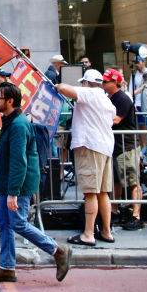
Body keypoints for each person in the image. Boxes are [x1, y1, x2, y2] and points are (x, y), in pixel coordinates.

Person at [0, 82, 71, 284]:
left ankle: (57, 250)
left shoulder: (18, 125)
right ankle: (6, 268)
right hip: (10, 183)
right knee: (4, 223)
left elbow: (19, 161)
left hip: (18, 185)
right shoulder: (11, 121)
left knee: (18, 223)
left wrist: (13, 192)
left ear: (10, 101)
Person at [56, 68, 116, 247]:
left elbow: (64, 89)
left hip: (89, 145)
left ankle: (88, 233)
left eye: (83, 82)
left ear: (87, 83)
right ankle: (106, 231)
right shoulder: (106, 100)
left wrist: (57, 84)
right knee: (103, 192)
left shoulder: (90, 93)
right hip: (105, 147)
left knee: (90, 192)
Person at [101, 68, 142, 231]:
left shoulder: (123, 99)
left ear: (114, 82)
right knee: (116, 181)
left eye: (105, 81)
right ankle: (114, 210)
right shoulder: (110, 98)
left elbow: (116, 120)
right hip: (116, 145)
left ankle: (136, 215)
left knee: (132, 181)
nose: (103, 84)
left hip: (127, 146)